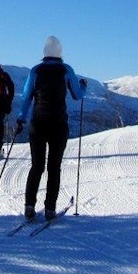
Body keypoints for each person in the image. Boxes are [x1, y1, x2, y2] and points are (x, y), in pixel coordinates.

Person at [14, 35, 87, 220]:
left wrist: (21, 119)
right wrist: (83, 86)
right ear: (60, 52)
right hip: (58, 124)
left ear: (44, 52)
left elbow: (26, 97)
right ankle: (50, 209)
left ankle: (29, 206)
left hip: (37, 123)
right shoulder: (65, 69)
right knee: (54, 167)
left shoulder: (36, 70)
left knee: (36, 166)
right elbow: (77, 95)